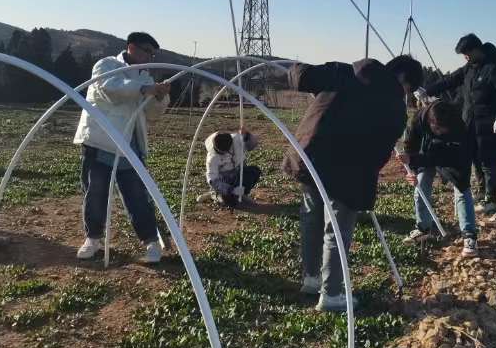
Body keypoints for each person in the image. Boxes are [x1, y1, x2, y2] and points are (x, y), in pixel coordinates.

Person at [282, 55, 424, 312]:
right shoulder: (394, 107)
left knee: (312, 217)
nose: (405, 94)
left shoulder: (345, 73)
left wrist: (308, 82)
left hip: (311, 155)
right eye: (408, 89)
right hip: (348, 169)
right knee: (337, 230)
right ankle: (332, 294)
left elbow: (301, 75)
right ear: (404, 80)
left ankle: (312, 279)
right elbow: (380, 150)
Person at [73, 32, 170, 263]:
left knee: (137, 195)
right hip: (101, 141)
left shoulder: (145, 77)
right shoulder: (107, 64)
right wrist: (145, 89)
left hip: (130, 145)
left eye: (153, 54)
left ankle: (151, 242)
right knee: (96, 193)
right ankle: (93, 238)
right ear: (131, 48)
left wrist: (159, 97)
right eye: (147, 51)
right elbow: (110, 89)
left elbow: (153, 112)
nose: (150, 56)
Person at [415, 33, 496, 215]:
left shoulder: (494, 69)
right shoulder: (469, 68)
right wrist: (427, 89)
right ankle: (482, 191)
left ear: (476, 50)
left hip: (489, 124)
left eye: (466, 53)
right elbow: (449, 80)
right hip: (470, 122)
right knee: (475, 157)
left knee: (489, 160)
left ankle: (492, 199)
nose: (465, 57)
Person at [397, 99, 478, 257]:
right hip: (427, 152)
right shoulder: (420, 117)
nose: (442, 132)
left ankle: (470, 235)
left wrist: (414, 159)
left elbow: (445, 157)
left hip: (455, 156)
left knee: (462, 189)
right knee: (420, 184)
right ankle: (423, 228)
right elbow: (411, 143)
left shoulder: (459, 127)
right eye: (439, 129)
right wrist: (411, 170)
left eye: (445, 130)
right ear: (430, 122)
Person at [198, 127, 261, 207]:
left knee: (254, 172)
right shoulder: (212, 158)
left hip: (238, 172)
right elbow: (213, 180)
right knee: (229, 202)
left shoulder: (235, 139)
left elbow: (253, 144)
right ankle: (214, 195)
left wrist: (246, 135)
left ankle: (242, 195)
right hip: (225, 180)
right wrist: (231, 190)